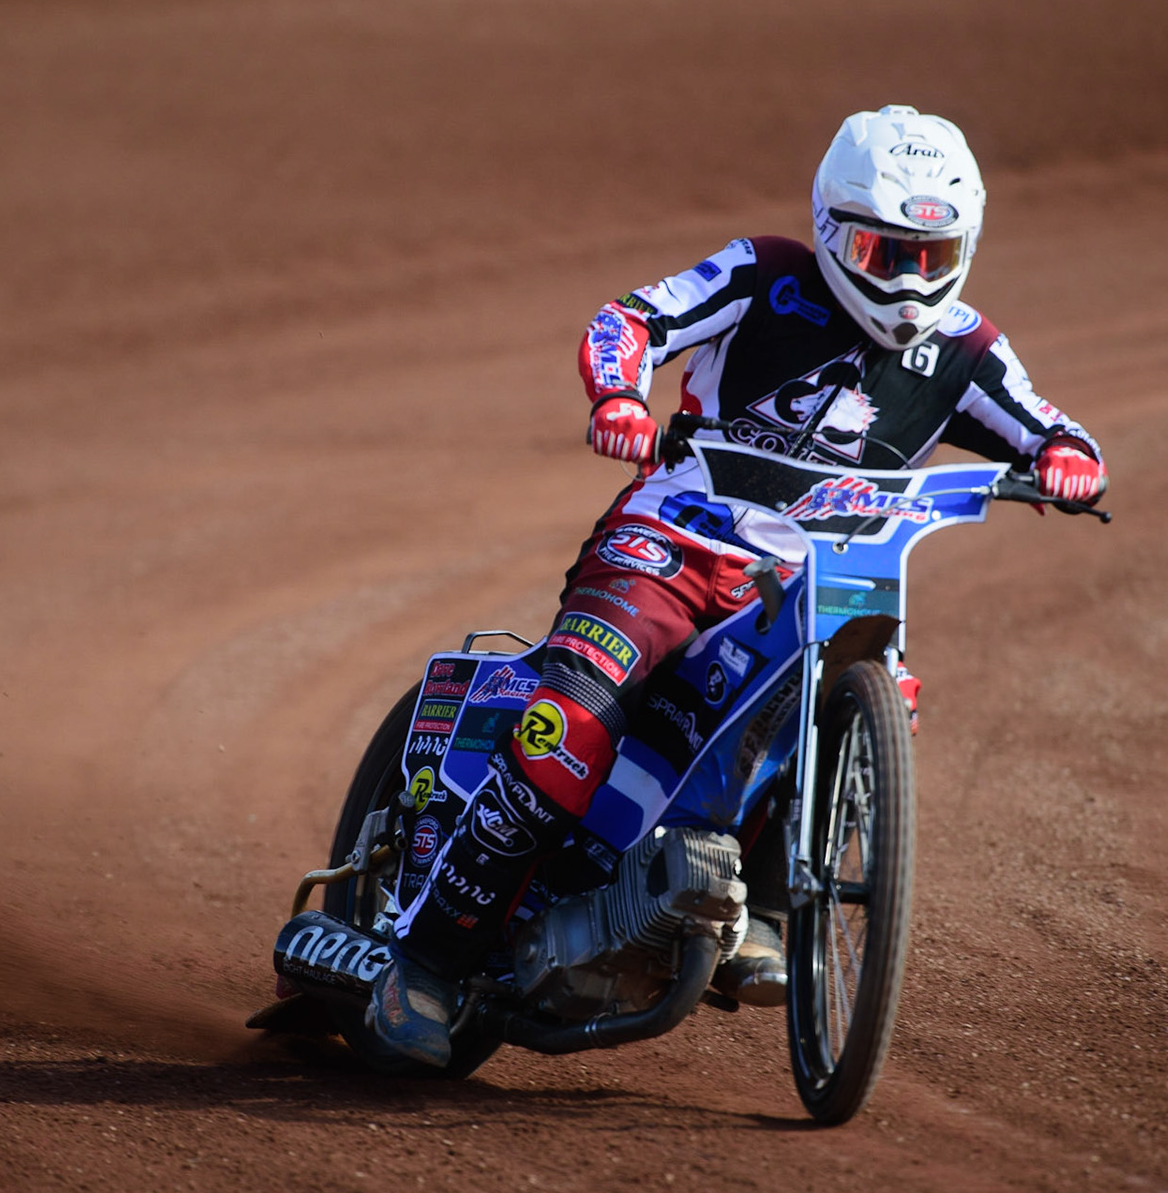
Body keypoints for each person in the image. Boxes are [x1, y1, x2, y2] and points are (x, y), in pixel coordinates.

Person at [368, 106, 1107, 1066]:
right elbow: (628, 319)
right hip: (667, 548)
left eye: (936, 254)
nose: (913, 283)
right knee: (574, 722)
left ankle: (757, 905)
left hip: (808, 580)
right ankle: (424, 961)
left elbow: (1056, 429)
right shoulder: (766, 276)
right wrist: (620, 397)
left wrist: (1068, 462)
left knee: (873, 693)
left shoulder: (965, 349)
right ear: (836, 231)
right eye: (889, 252)